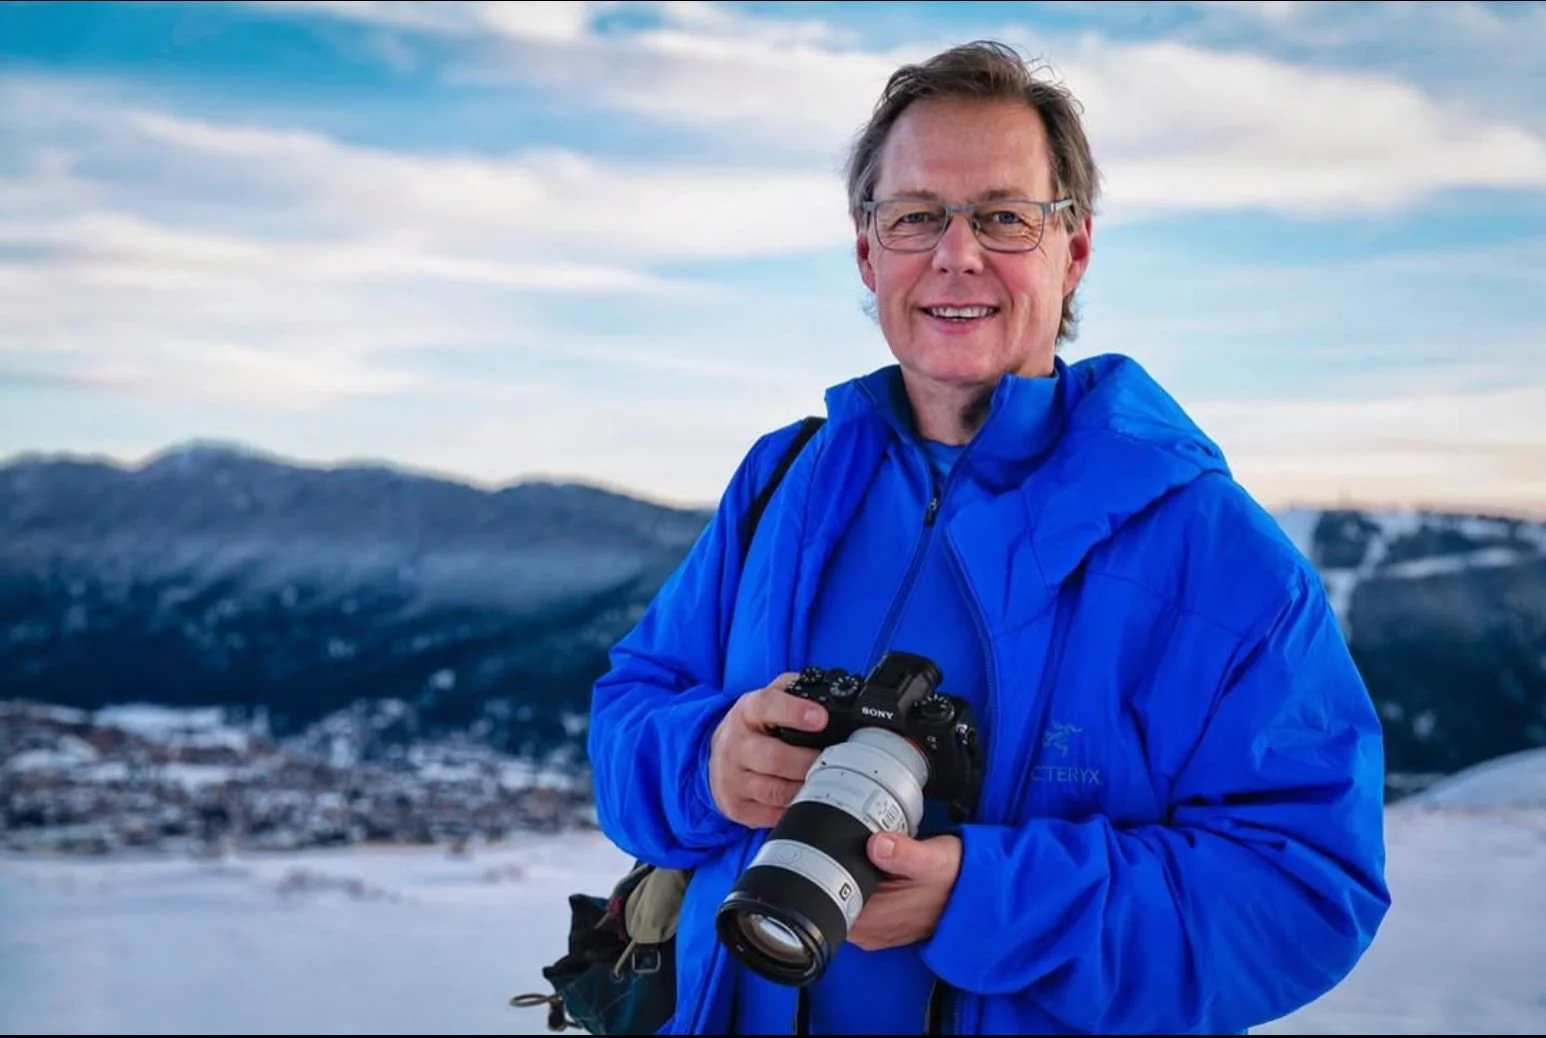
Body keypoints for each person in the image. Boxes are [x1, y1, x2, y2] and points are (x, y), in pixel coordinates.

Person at [586, 39, 1391, 1036]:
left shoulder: (1208, 551)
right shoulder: (783, 484)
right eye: (916, 215)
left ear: (1074, 248)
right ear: (866, 250)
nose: (954, 255)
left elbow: (1306, 892)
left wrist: (984, 899)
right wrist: (707, 760)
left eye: (1003, 217)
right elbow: (627, 714)